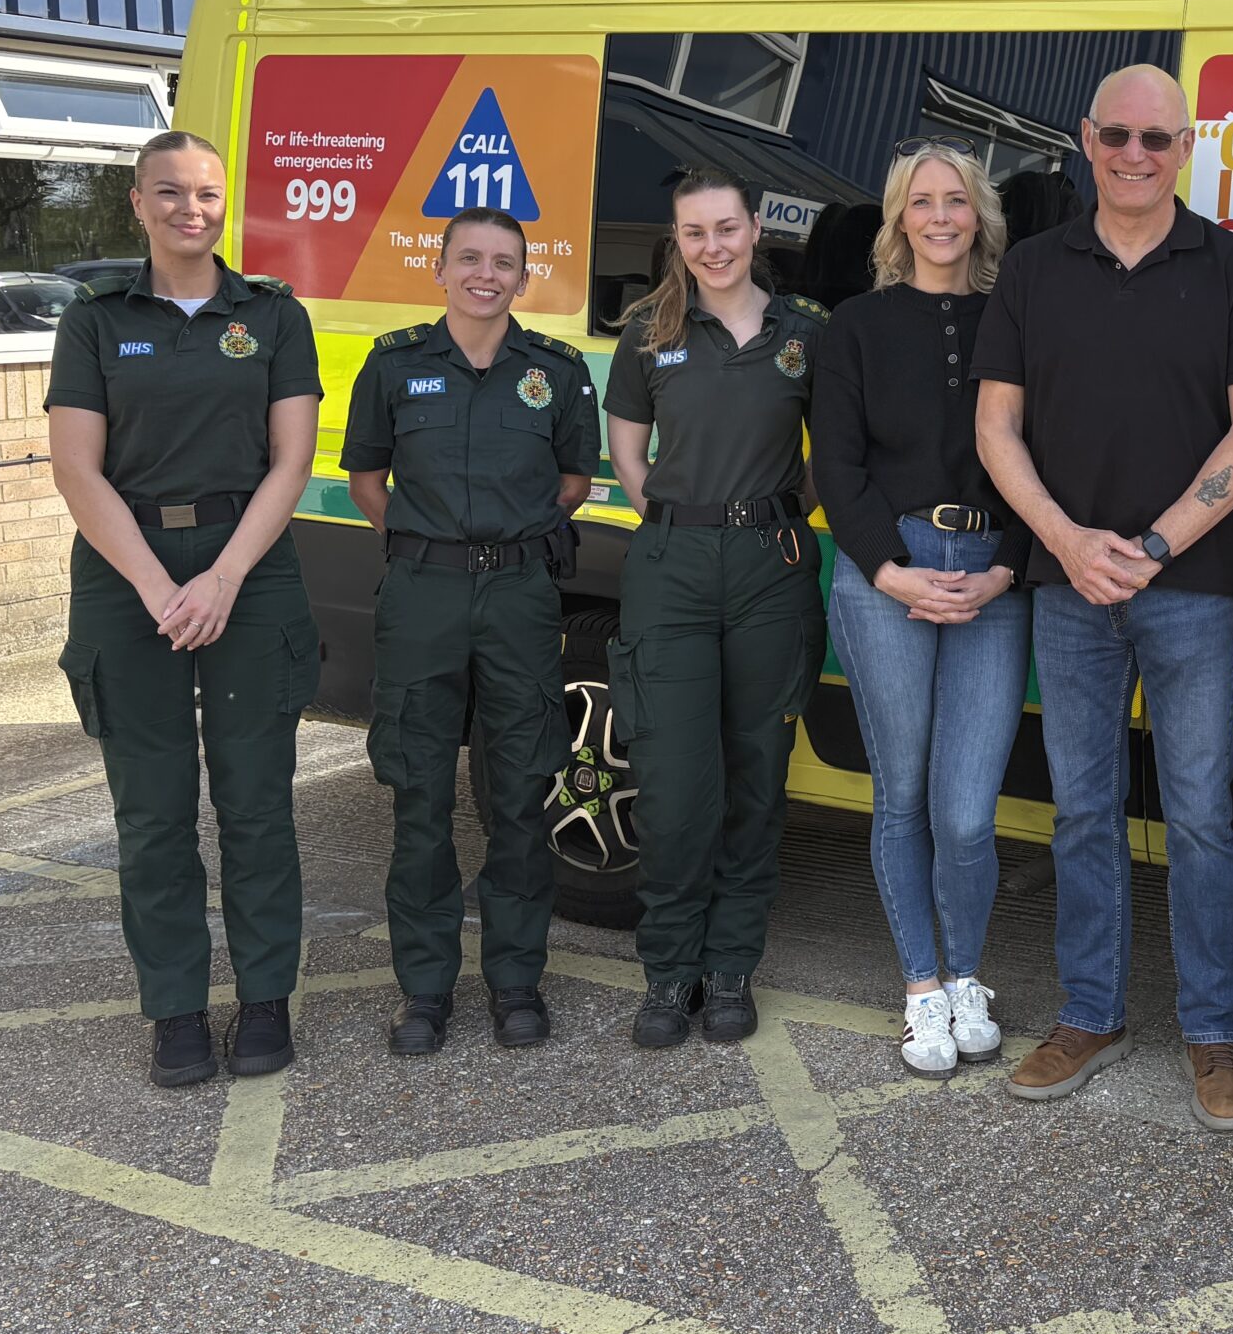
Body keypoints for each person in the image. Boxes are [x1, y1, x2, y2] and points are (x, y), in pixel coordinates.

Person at [974, 63, 1233, 1130]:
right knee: (1084, 815)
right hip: (1068, 588)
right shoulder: (1031, 268)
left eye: (1157, 140)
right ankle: (1091, 1014)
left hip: (1190, 587)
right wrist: (1066, 541)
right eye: (1117, 136)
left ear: (1185, 147)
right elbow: (995, 428)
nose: (1136, 156)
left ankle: (1213, 1034)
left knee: (1202, 819)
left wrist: (1152, 545)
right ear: (1084, 138)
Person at [45, 129, 322, 1088]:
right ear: (137, 203)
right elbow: (76, 467)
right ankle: (174, 1011)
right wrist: (159, 586)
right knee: (154, 813)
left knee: (255, 804)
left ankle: (264, 999)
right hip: (129, 574)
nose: (190, 209)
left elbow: (292, 462)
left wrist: (223, 578)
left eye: (206, 193)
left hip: (247, 561)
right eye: (169, 193)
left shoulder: (274, 315)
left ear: (225, 203)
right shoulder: (94, 319)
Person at [339, 207, 600, 1055]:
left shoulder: (556, 372)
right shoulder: (393, 363)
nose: (486, 274)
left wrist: (504, 541)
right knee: (418, 793)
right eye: (470, 259)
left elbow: (572, 481)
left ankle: (516, 979)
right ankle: (423, 989)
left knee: (523, 792)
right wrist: (431, 542)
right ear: (440, 269)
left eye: (504, 263)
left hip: (521, 594)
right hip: (423, 593)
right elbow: (367, 480)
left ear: (525, 279)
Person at [811, 139, 1029, 1077]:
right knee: (901, 797)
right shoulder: (855, 325)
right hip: (885, 572)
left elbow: (1041, 454)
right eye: (921, 202)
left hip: (991, 575)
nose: (940, 217)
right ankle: (921, 989)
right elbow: (836, 466)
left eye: (957, 200)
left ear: (979, 213)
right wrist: (891, 571)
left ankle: (969, 973)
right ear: (899, 219)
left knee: (969, 812)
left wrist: (1008, 569)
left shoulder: (1017, 320)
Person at [606, 170, 829, 1050]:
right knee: (671, 783)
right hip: (673, 565)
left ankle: (731, 965)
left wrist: (779, 512)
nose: (713, 246)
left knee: (754, 774)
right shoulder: (648, 331)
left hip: (772, 564)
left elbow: (830, 451)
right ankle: (669, 973)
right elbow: (628, 446)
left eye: (727, 228)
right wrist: (672, 517)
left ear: (754, 230)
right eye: (695, 233)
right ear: (677, 240)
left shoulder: (805, 332)